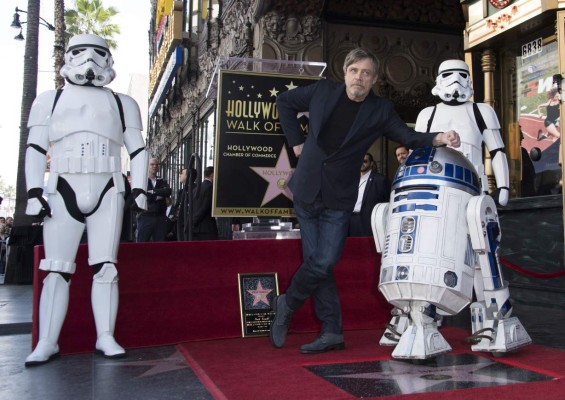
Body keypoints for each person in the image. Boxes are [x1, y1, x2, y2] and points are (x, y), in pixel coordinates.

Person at [271, 47, 461, 354]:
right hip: (307, 191)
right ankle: (332, 331)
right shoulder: (322, 91)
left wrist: (438, 137)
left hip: (339, 196)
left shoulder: (379, 110)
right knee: (319, 265)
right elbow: (284, 101)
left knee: (323, 261)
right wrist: (295, 144)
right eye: (355, 71)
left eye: (367, 73)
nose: (360, 77)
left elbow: (406, 135)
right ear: (345, 72)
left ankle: (287, 302)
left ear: (373, 80)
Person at [24, 34, 149, 366]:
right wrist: (33, 191)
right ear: (68, 57)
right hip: (63, 185)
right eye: (79, 52)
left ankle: (105, 335)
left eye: (98, 53)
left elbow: (138, 149)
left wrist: (138, 189)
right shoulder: (49, 100)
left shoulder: (123, 103)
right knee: (56, 269)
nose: (89, 60)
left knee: (106, 266)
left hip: (108, 186)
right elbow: (35, 146)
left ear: (108, 60)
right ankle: (48, 340)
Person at [348, 153, 390, 237]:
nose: (361, 164)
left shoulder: (380, 180)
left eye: (364, 161)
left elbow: (387, 202)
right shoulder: (351, 179)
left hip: (369, 221)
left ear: (371, 163)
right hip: (351, 220)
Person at [136, 158, 171, 242]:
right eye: (152, 164)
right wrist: (159, 195)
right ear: (147, 166)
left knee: (160, 245)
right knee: (142, 244)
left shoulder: (162, 181)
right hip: (145, 216)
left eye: (156, 164)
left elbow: (167, 191)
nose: (154, 166)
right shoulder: (142, 181)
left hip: (160, 217)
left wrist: (153, 192)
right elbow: (144, 195)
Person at [192, 166, 218, 240]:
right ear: (212, 175)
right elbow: (205, 207)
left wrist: (193, 221)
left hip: (196, 228)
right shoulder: (211, 187)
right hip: (208, 228)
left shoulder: (195, 189)